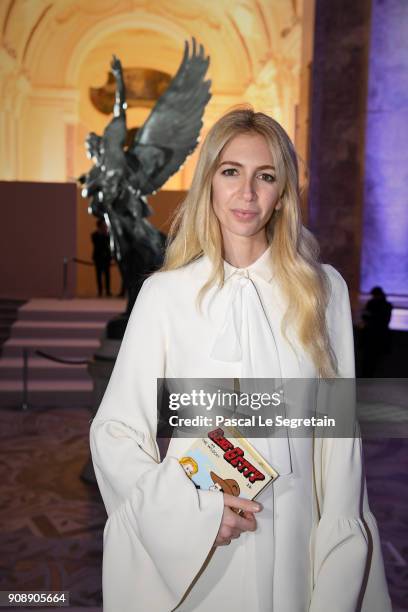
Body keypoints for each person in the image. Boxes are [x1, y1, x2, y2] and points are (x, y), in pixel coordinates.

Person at [90, 108, 392, 611]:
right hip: (205, 550)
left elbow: (340, 448)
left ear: (283, 193)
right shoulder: (165, 295)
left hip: (299, 541)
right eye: (231, 171)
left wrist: (337, 575)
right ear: (209, 180)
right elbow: (116, 432)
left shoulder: (325, 291)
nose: (247, 193)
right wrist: (190, 513)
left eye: (265, 176)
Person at [361, 286, 393, 376]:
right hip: (379, 335)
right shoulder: (386, 305)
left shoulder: (373, 304)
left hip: (372, 335)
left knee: (370, 360)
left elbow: (366, 316)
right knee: (375, 361)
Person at [91, 219, 112, 297]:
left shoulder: (108, 235)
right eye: (103, 225)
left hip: (106, 257)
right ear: (99, 226)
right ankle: (100, 291)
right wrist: (102, 235)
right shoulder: (94, 235)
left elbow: (109, 246)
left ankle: (108, 291)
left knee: (107, 275)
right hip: (98, 258)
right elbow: (97, 245)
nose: (105, 227)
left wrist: (106, 235)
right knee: (98, 275)